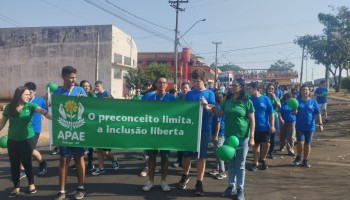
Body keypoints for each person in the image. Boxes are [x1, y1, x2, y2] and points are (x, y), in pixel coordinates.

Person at [202, 78, 255, 200]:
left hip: (242, 137)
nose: (231, 86)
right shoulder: (228, 101)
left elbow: (252, 120)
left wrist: (252, 137)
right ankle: (231, 186)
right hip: (229, 137)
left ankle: (240, 188)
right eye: (231, 85)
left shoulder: (247, 102)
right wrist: (209, 106)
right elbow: (219, 113)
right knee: (231, 163)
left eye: (234, 85)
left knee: (240, 164)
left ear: (241, 87)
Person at [0, 86, 52, 197]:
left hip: (27, 139)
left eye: (29, 94)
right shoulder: (9, 107)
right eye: (26, 94)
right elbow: (2, 123)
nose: (29, 96)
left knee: (26, 162)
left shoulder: (30, 106)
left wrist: (47, 114)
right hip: (12, 140)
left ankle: (31, 184)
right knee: (14, 165)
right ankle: (16, 187)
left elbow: (40, 110)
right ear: (19, 95)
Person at [177, 68, 215, 196]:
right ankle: (185, 175)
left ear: (203, 81)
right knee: (186, 155)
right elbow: (185, 110)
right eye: (193, 81)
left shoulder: (210, 93)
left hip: (203, 129)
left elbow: (212, 110)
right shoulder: (189, 94)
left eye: (198, 81)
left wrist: (206, 105)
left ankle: (199, 182)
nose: (195, 83)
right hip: (190, 128)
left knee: (200, 157)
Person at [53, 66, 88, 200]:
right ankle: (62, 190)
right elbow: (53, 112)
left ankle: (80, 187)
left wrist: (83, 99)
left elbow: (88, 109)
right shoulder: (57, 93)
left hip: (78, 132)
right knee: (63, 160)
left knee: (79, 159)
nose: (74, 80)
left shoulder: (80, 91)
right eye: (71, 77)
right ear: (64, 77)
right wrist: (49, 103)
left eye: (75, 77)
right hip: (64, 132)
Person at [141, 75, 176, 192]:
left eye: (164, 83)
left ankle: (163, 182)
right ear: (156, 84)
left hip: (165, 133)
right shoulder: (148, 97)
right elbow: (138, 110)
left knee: (165, 158)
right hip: (151, 132)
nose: (162, 84)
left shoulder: (171, 98)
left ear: (167, 85)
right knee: (151, 158)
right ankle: (150, 181)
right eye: (160, 82)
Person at [92, 81, 119, 176]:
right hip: (97, 123)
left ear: (101, 86)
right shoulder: (94, 95)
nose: (96, 88)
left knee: (105, 151)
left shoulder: (106, 93)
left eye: (98, 86)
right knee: (99, 149)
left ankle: (114, 160)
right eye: (95, 86)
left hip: (106, 124)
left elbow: (112, 104)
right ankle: (101, 168)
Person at [22, 82, 49, 176]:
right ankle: (22, 169)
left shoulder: (40, 100)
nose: (29, 94)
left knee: (30, 149)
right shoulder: (22, 100)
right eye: (27, 92)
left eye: (31, 92)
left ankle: (42, 163)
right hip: (22, 129)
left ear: (35, 92)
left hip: (34, 129)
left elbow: (46, 111)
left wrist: (45, 113)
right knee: (22, 149)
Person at [293, 85, 323, 168]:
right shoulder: (297, 101)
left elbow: (318, 113)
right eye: (303, 90)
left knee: (307, 144)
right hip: (300, 126)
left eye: (306, 90)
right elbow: (293, 113)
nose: (305, 91)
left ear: (309, 92)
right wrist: (295, 110)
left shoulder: (313, 102)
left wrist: (320, 124)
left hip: (310, 127)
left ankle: (305, 160)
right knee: (300, 143)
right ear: (300, 91)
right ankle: (299, 156)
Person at [247, 82, 274, 171]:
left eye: (250, 88)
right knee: (256, 145)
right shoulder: (249, 100)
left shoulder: (265, 99)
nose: (248, 90)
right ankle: (255, 163)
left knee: (267, 144)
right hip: (254, 127)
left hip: (265, 126)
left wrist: (272, 125)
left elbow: (271, 113)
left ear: (255, 88)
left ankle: (263, 159)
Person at [207, 92, 227, 180]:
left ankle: (222, 171)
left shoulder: (218, 108)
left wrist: (215, 135)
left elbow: (219, 123)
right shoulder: (218, 106)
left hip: (219, 133)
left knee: (219, 152)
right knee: (216, 151)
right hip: (217, 132)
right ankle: (217, 168)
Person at [172, 82, 191, 168]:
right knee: (179, 145)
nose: (185, 89)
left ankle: (187, 162)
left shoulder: (192, 98)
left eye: (186, 88)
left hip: (190, 124)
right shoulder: (177, 99)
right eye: (183, 88)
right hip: (180, 124)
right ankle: (179, 161)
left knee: (188, 145)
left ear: (189, 89)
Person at [266, 84, 281, 159]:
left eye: (272, 89)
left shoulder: (277, 98)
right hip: (266, 118)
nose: (271, 90)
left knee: (273, 136)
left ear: (274, 90)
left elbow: (279, 106)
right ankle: (264, 151)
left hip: (274, 118)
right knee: (265, 136)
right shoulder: (265, 98)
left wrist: (274, 98)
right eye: (269, 88)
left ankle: (271, 152)